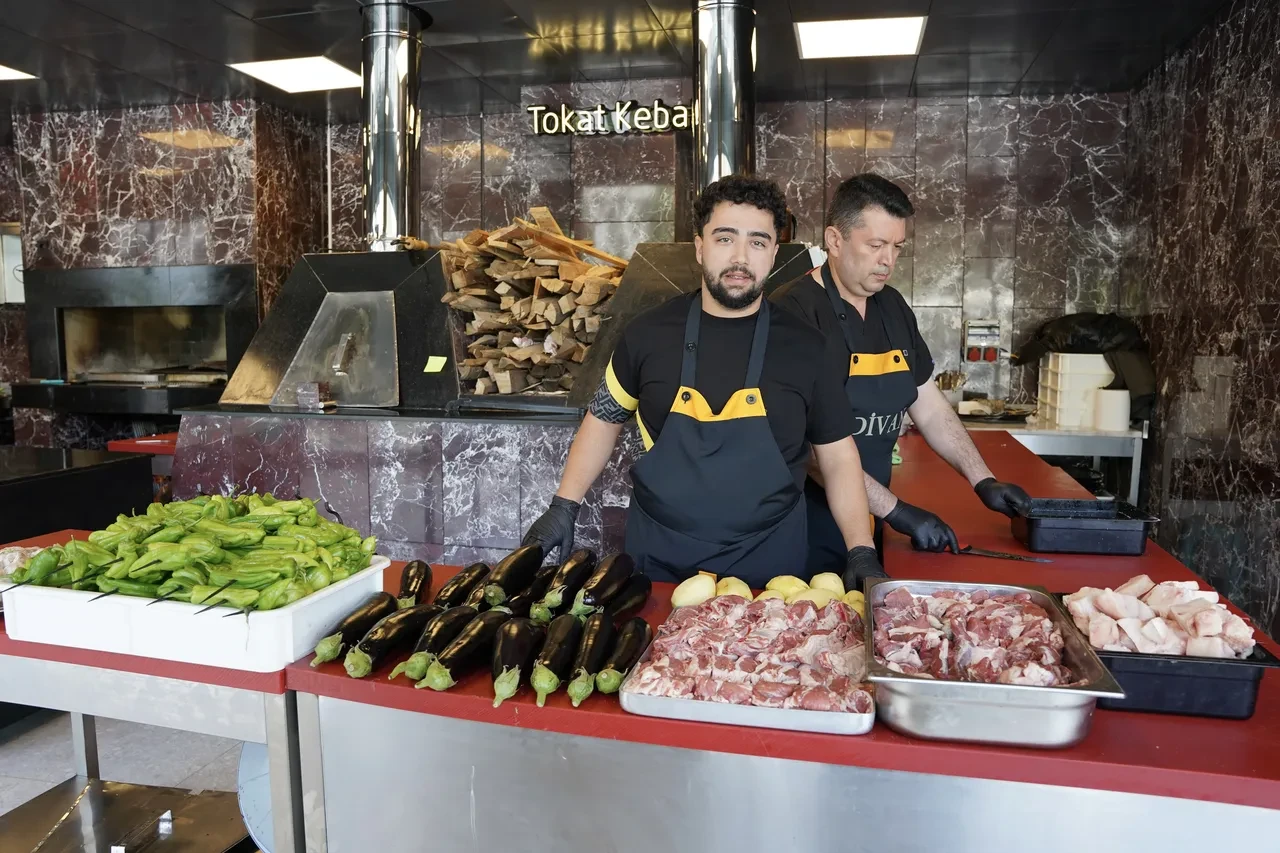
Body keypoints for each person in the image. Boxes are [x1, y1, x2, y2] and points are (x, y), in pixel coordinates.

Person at [523, 175, 883, 590]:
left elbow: (838, 456)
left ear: (773, 254)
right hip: (657, 557)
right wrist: (564, 505)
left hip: (770, 560)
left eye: (758, 241)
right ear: (700, 247)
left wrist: (861, 549)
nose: (741, 257)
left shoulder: (808, 347)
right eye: (725, 238)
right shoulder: (648, 334)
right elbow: (604, 418)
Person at [771, 174, 1031, 575]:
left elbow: (927, 405)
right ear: (835, 241)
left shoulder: (892, 307)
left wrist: (983, 480)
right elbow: (808, 450)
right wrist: (899, 511)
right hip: (805, 529)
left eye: (896, 247)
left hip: (871, 522)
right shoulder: (792, 314)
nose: (888, 260)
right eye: (875, 245)